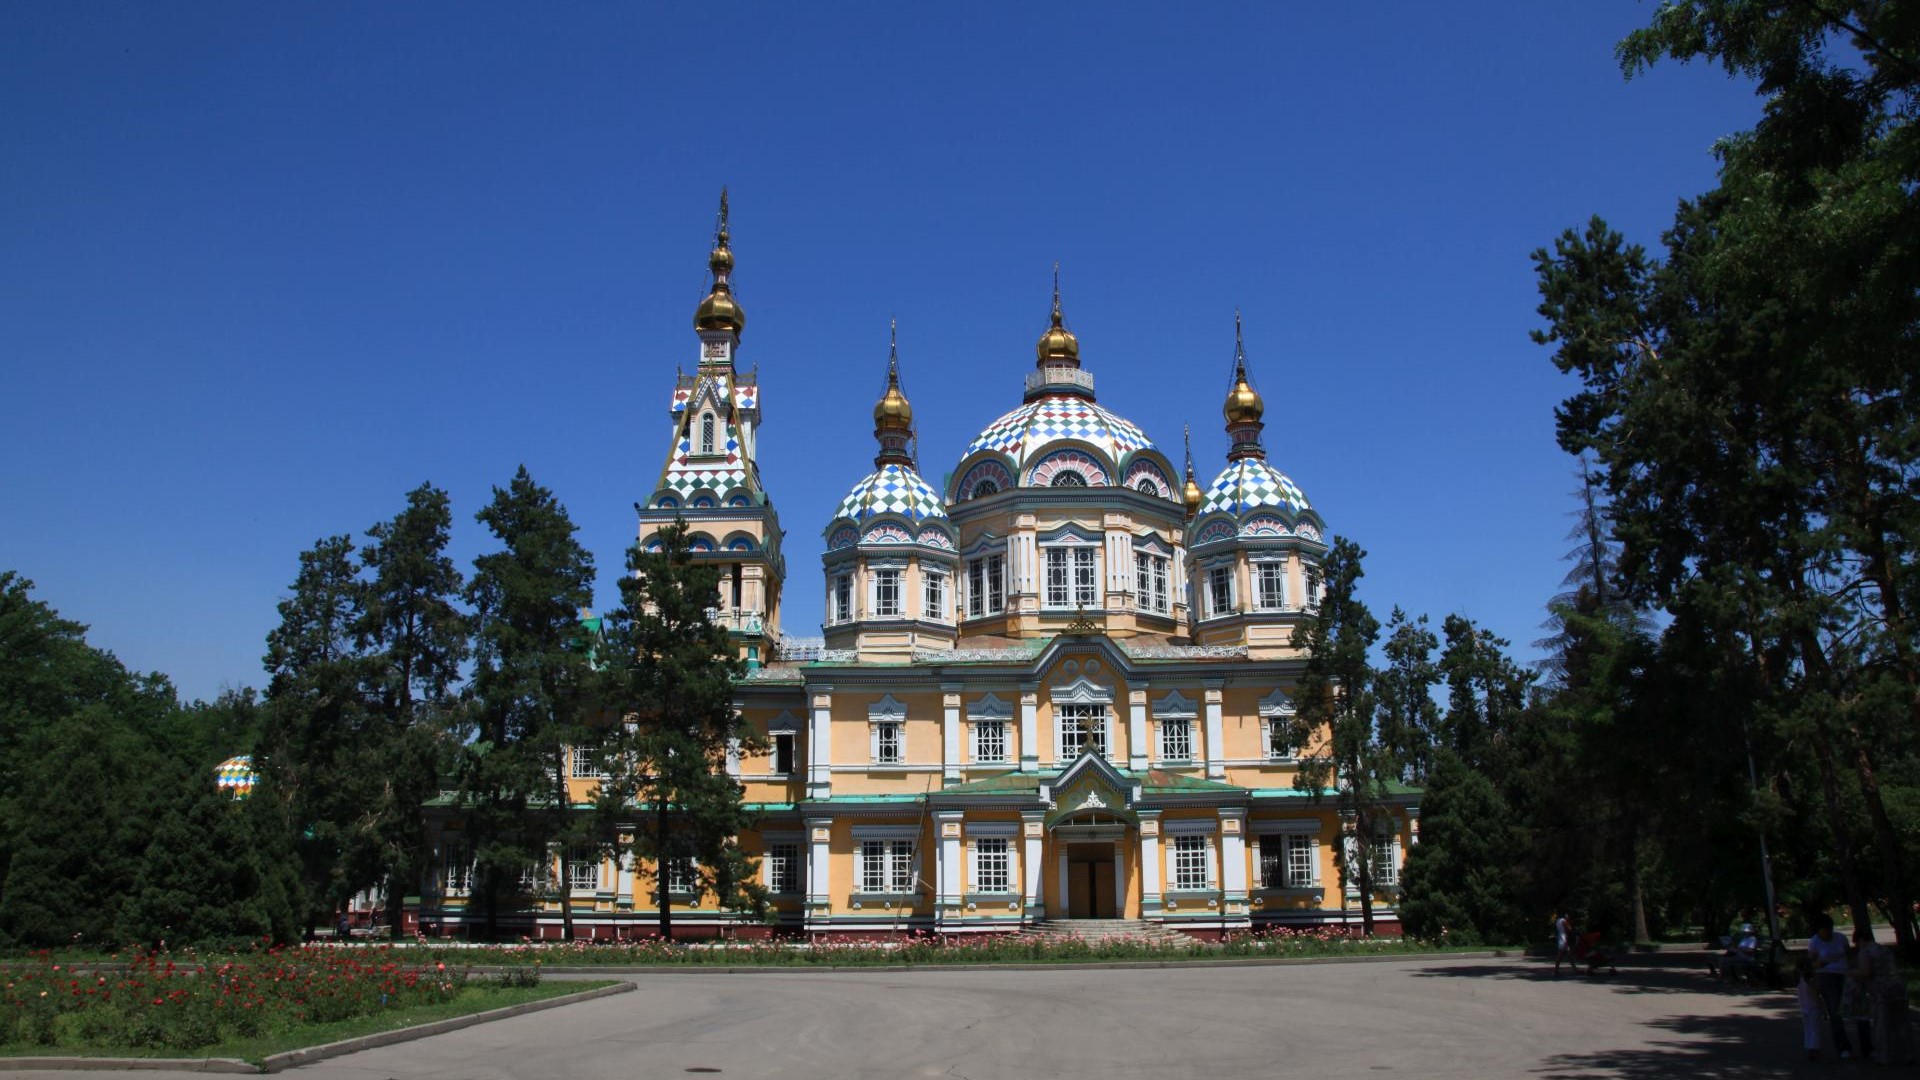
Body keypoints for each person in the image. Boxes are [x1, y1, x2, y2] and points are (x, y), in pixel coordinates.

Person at [1806, 914, 1854, 1059]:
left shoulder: (1840, 938)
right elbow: (1811, 964)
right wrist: (1818, 965)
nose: (1828, 932)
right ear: (1818, 930)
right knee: (1835, 1011)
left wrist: (1853, 970)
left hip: (1844, 974)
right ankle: (1842, 1047)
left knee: (1856, 1009)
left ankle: (1867, 1046)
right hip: (1826, 976)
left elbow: (1849, 955)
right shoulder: (1814, 942)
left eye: (1829, 928)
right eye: (1824, 929)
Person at [1795, 956, 1823, 1062]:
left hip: (1804, 1008)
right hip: (1813, 1008)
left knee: (1808, 1029)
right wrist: (1823, 1007)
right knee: (1815, 1029)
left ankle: (1809, 1048)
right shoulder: (1811, 982)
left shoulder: (1800, 981)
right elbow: (1816, 996)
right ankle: (1815, 1049)